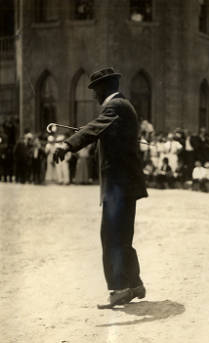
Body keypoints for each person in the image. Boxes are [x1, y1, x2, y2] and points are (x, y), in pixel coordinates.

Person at [53, 67, 148, 308]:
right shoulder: (123, 106)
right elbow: (101, 130)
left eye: (95, 91)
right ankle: (134, 284)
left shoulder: (114, 107)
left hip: (118, 184)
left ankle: (119, 288)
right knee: (122, 235)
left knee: (111, 236)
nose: (94, 96)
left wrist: (67, 145)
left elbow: (94, 128)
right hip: (124, 184)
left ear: (104, 88)